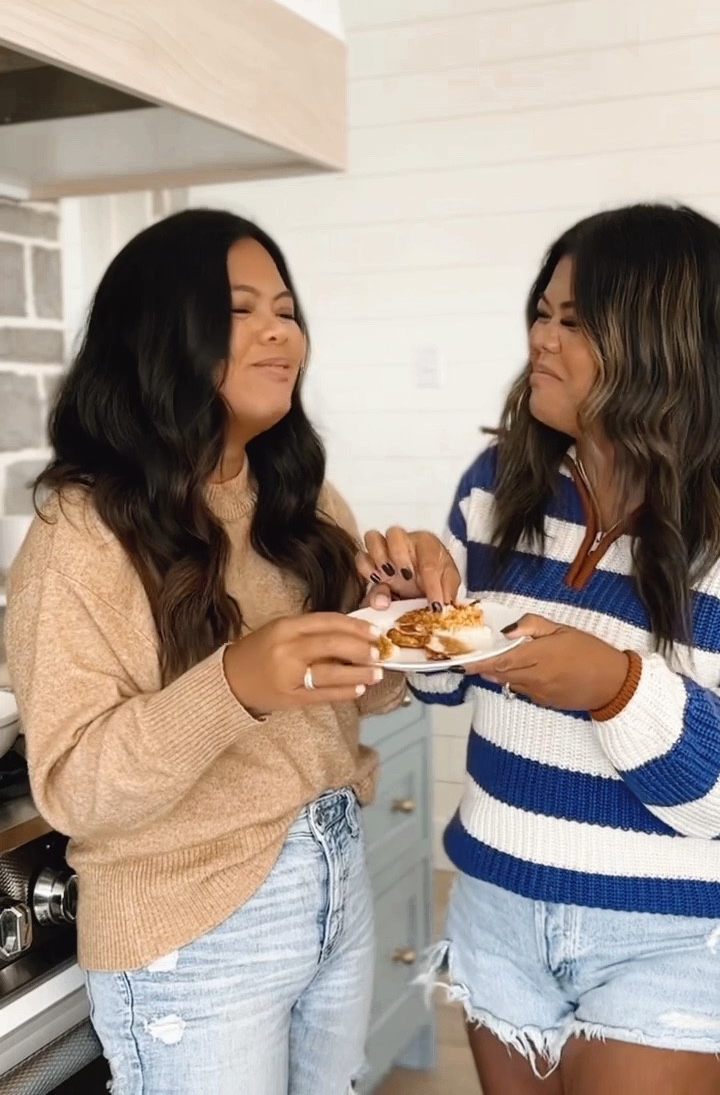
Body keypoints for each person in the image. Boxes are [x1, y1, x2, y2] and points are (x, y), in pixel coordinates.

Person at [5, 209, 458, 1095]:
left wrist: (389, 630)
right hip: (192, 925)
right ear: (159, 337)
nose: (281, 330)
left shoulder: (298, 493)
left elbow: (351, 700)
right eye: (242, 310)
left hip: (332, 872)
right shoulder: (80, 535)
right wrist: (236, 685)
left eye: (285, 309)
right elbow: (73, 786)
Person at [393, 203, 720, 1095]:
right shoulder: (498, 484)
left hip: (672, 933)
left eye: (573, 322)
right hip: (496, 906)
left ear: (663, 342)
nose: (542, 338)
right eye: (542, 312)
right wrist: (417, 616)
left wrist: (613, 687)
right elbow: (447, 689)